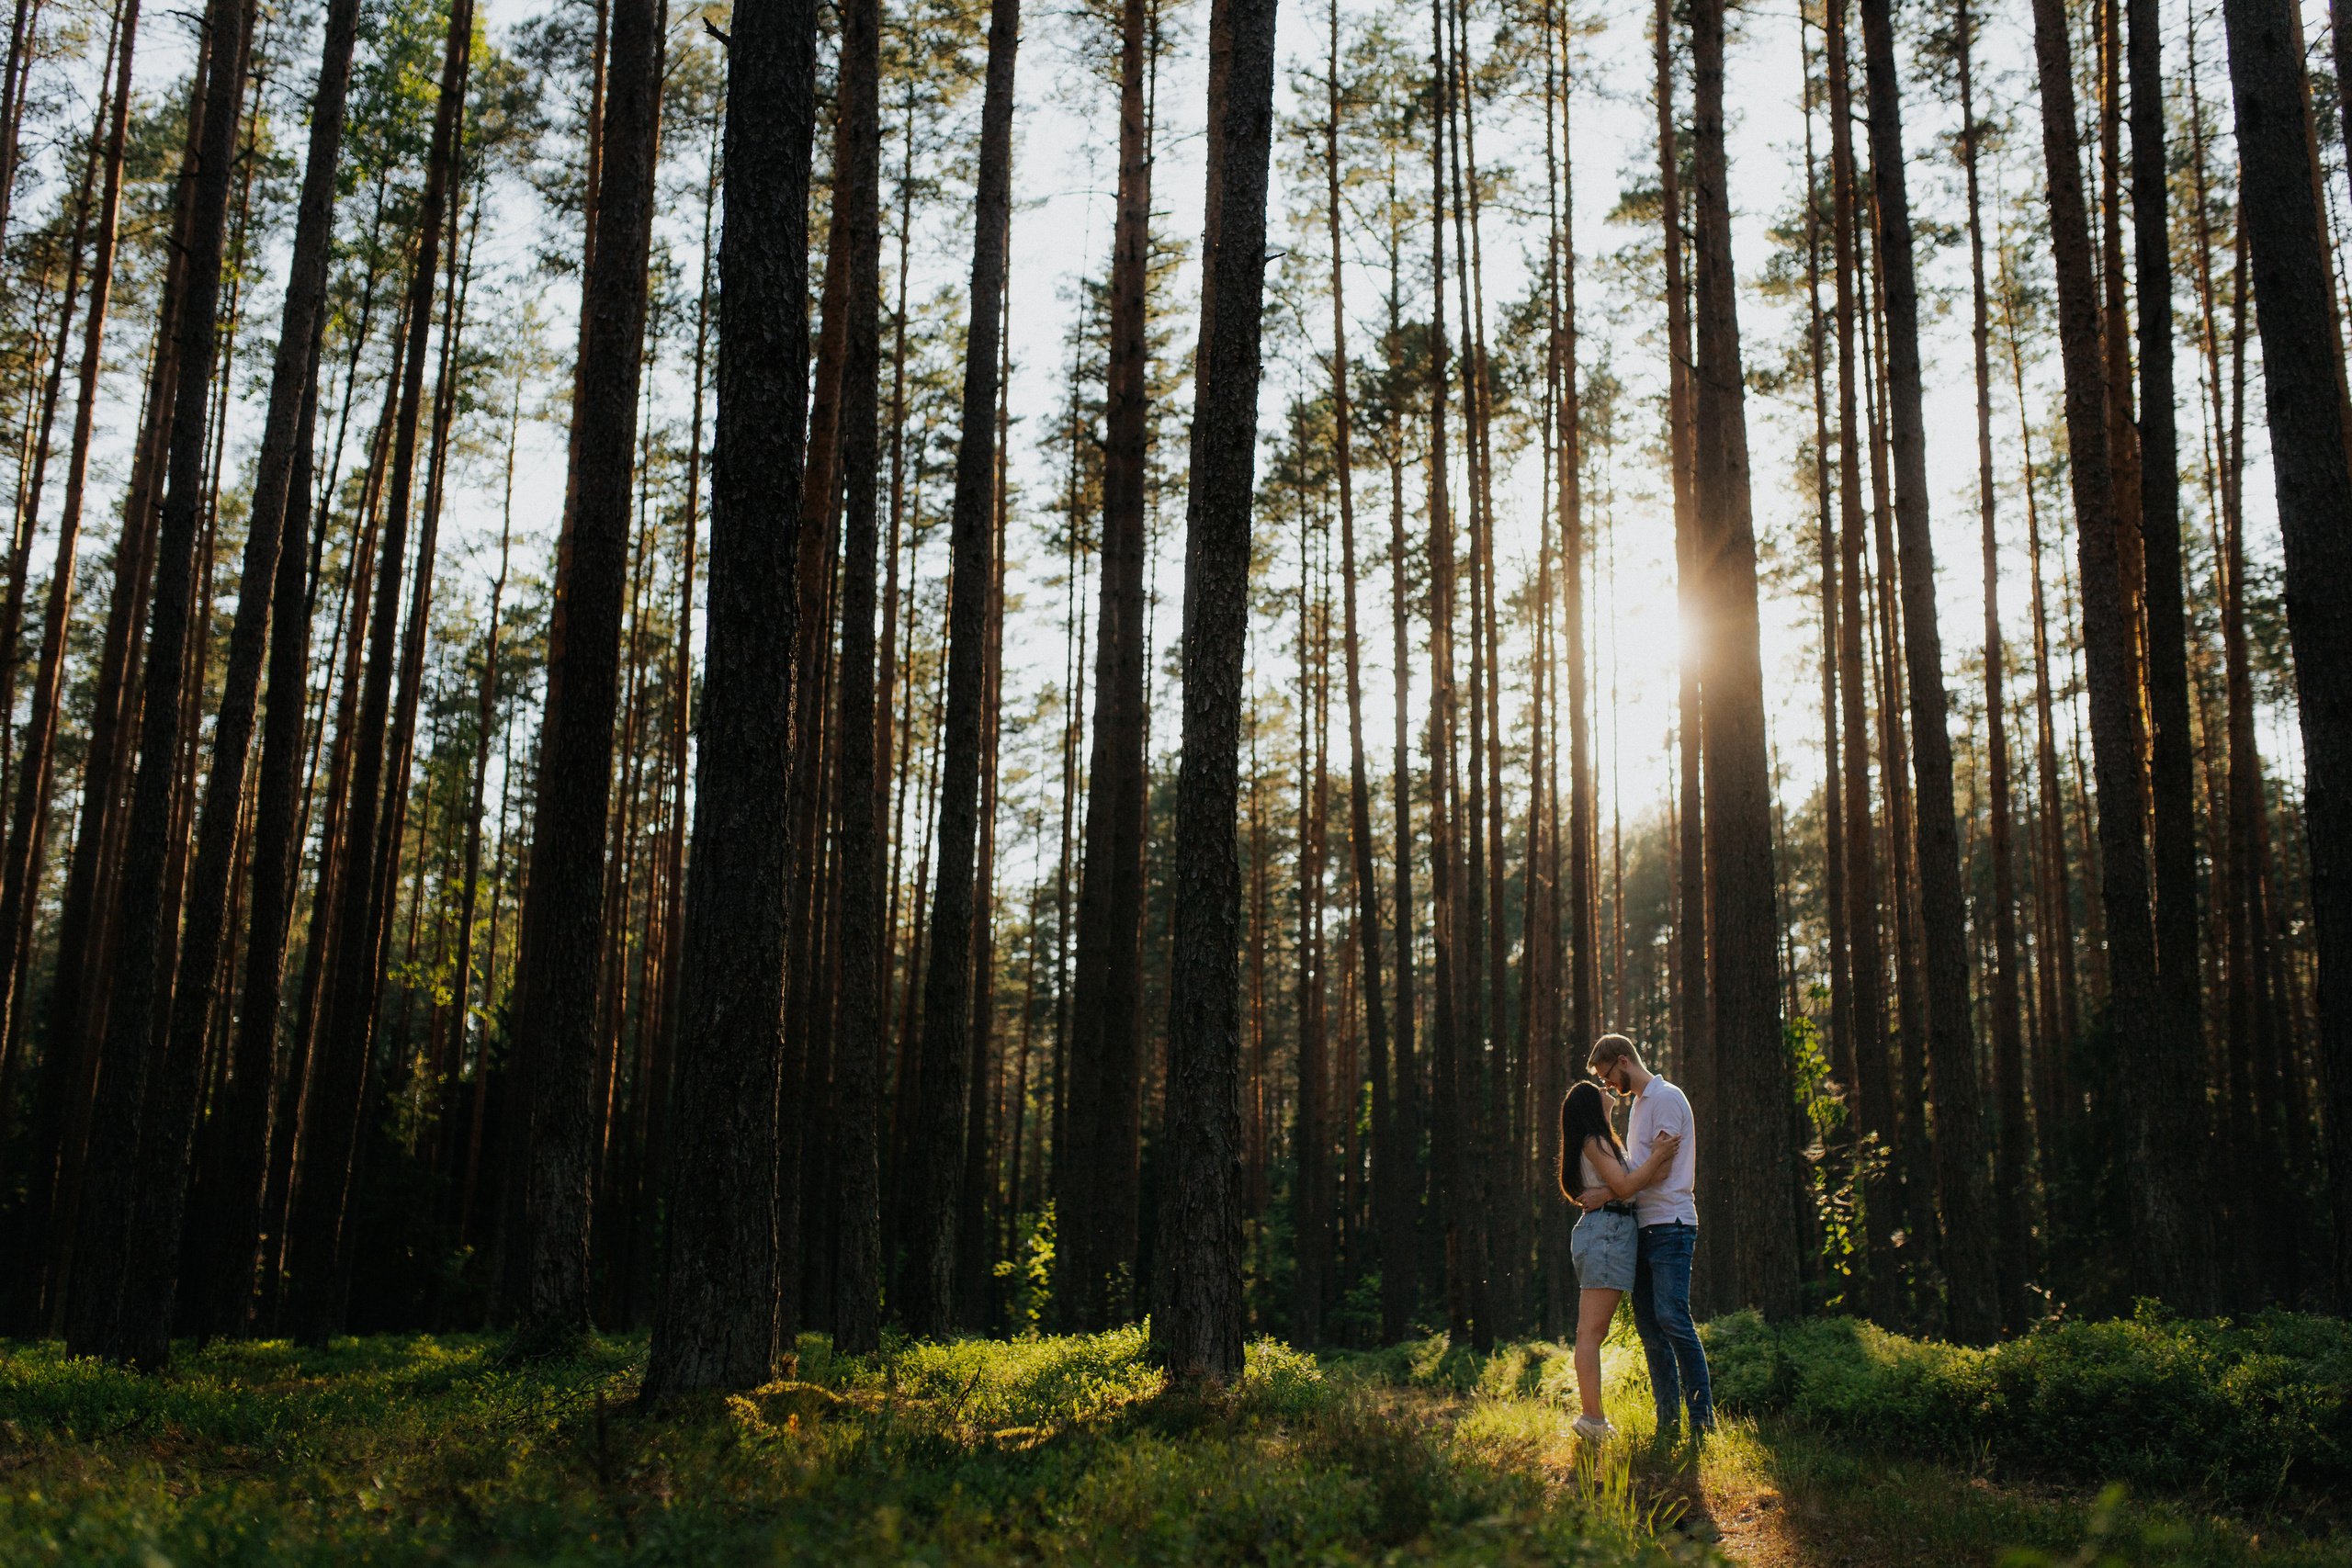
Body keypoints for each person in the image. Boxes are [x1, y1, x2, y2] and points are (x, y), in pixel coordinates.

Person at [1576, 1032, 1713, 1440]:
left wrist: (1608, 1192)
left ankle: (1702, 1420)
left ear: (1623, 1060)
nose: (1606, 1084)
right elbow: (1642, 1166)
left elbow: (1662, 1168)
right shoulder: (1638, 1106)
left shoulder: (1666, 1098)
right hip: (1643, 1225)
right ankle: (1668, 1422)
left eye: (1606, 1074)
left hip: (1671, 1222)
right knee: (1650, 1328)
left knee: (1673, 1317)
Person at [1558, 1077, 1681, 1442]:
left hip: (1608, 1230)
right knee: (1591, 1333)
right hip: (1606, 1232)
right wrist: (1656, 1156)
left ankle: (1593, 1420)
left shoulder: (1604, 1141)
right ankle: (1592, 1421)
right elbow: (1629, 1186)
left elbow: (1633, 1183)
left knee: (1592, 1332)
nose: (1605, 1089)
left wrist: (1612, 1190)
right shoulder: (1594, 1141)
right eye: (1597, 1089)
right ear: (1590, 1105)